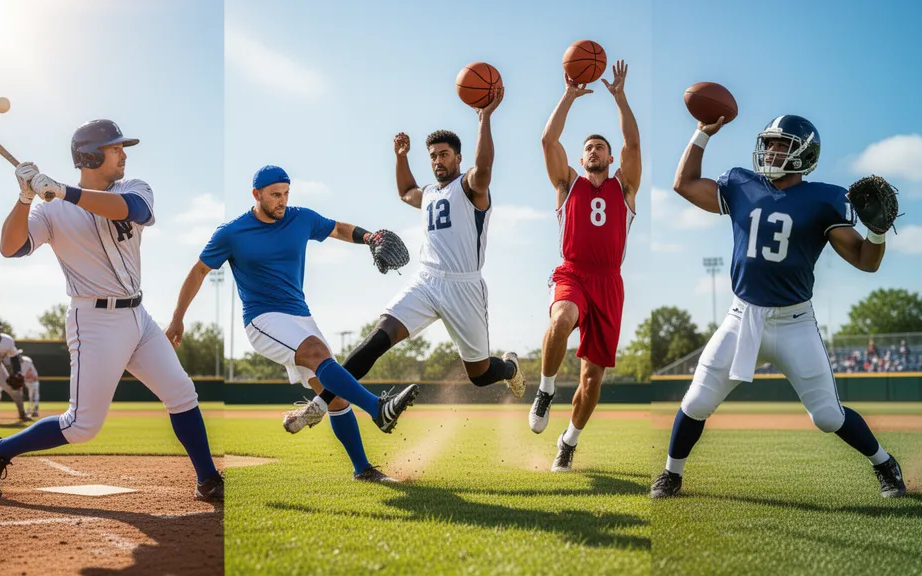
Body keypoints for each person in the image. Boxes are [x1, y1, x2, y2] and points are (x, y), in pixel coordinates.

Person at [650, 114, 905, 499]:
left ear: (804, 152)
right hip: (742, 316)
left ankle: (885, 464)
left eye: (780, 144)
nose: (770, 150)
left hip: (794, 322)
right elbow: (683, 184)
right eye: (768, 143)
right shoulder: (740, 184)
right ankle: (671, 474)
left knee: (827, 416)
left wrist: (876, 231)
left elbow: (866, 261)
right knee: (697, 401)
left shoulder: (823, 199)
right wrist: (702, 133)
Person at [0, 120, 222, 501]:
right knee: (82, 426)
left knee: (181, 392)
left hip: (138, 316)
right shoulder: (51, 212)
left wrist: (63, 190)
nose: (123, 153)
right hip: (94, 321)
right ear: (90, 155)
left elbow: (132, 211)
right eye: (115, 148)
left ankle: (208, 479)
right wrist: (25, 198)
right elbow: (11, 248)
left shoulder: (132, 188)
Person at [283, 86, 525, 434]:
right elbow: (405, 192)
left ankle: (511, 368)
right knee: (378, 337)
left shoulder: (471, 187)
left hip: (464, 286)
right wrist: (401, 155)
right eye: (433, 156)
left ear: (458, 158)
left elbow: (484, 167)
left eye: (444, 154)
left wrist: (485, 118)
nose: (438, 161)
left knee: (482, 375)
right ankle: (319, 405)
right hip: (426, 281)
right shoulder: (428, 193)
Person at [168, 165, 418, 482]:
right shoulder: (232, 232)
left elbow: (338, 229)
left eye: (286, 193)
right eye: (275, 195)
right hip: (262, 318)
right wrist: (177, 318)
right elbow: (199, 270)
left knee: (336, 394)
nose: (282, 201)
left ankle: (362, 469)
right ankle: (377, 409)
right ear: (256, 194)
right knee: (317, 352)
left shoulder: (301, 218)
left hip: (301, 316)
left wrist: (369, 237)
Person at [530, 61, 641, 473]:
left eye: (600, 147)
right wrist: (569, 95)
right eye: (588, 147)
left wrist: (619, 96)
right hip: (572, 272)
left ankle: (568, 441)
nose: (594, 150)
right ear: (580, 157)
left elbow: (634, 146)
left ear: (610, 157)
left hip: (610, 283)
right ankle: (544, 391)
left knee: (592, 379)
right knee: (561, 319)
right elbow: (547, 140)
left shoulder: (624, 188)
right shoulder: (567, 185)